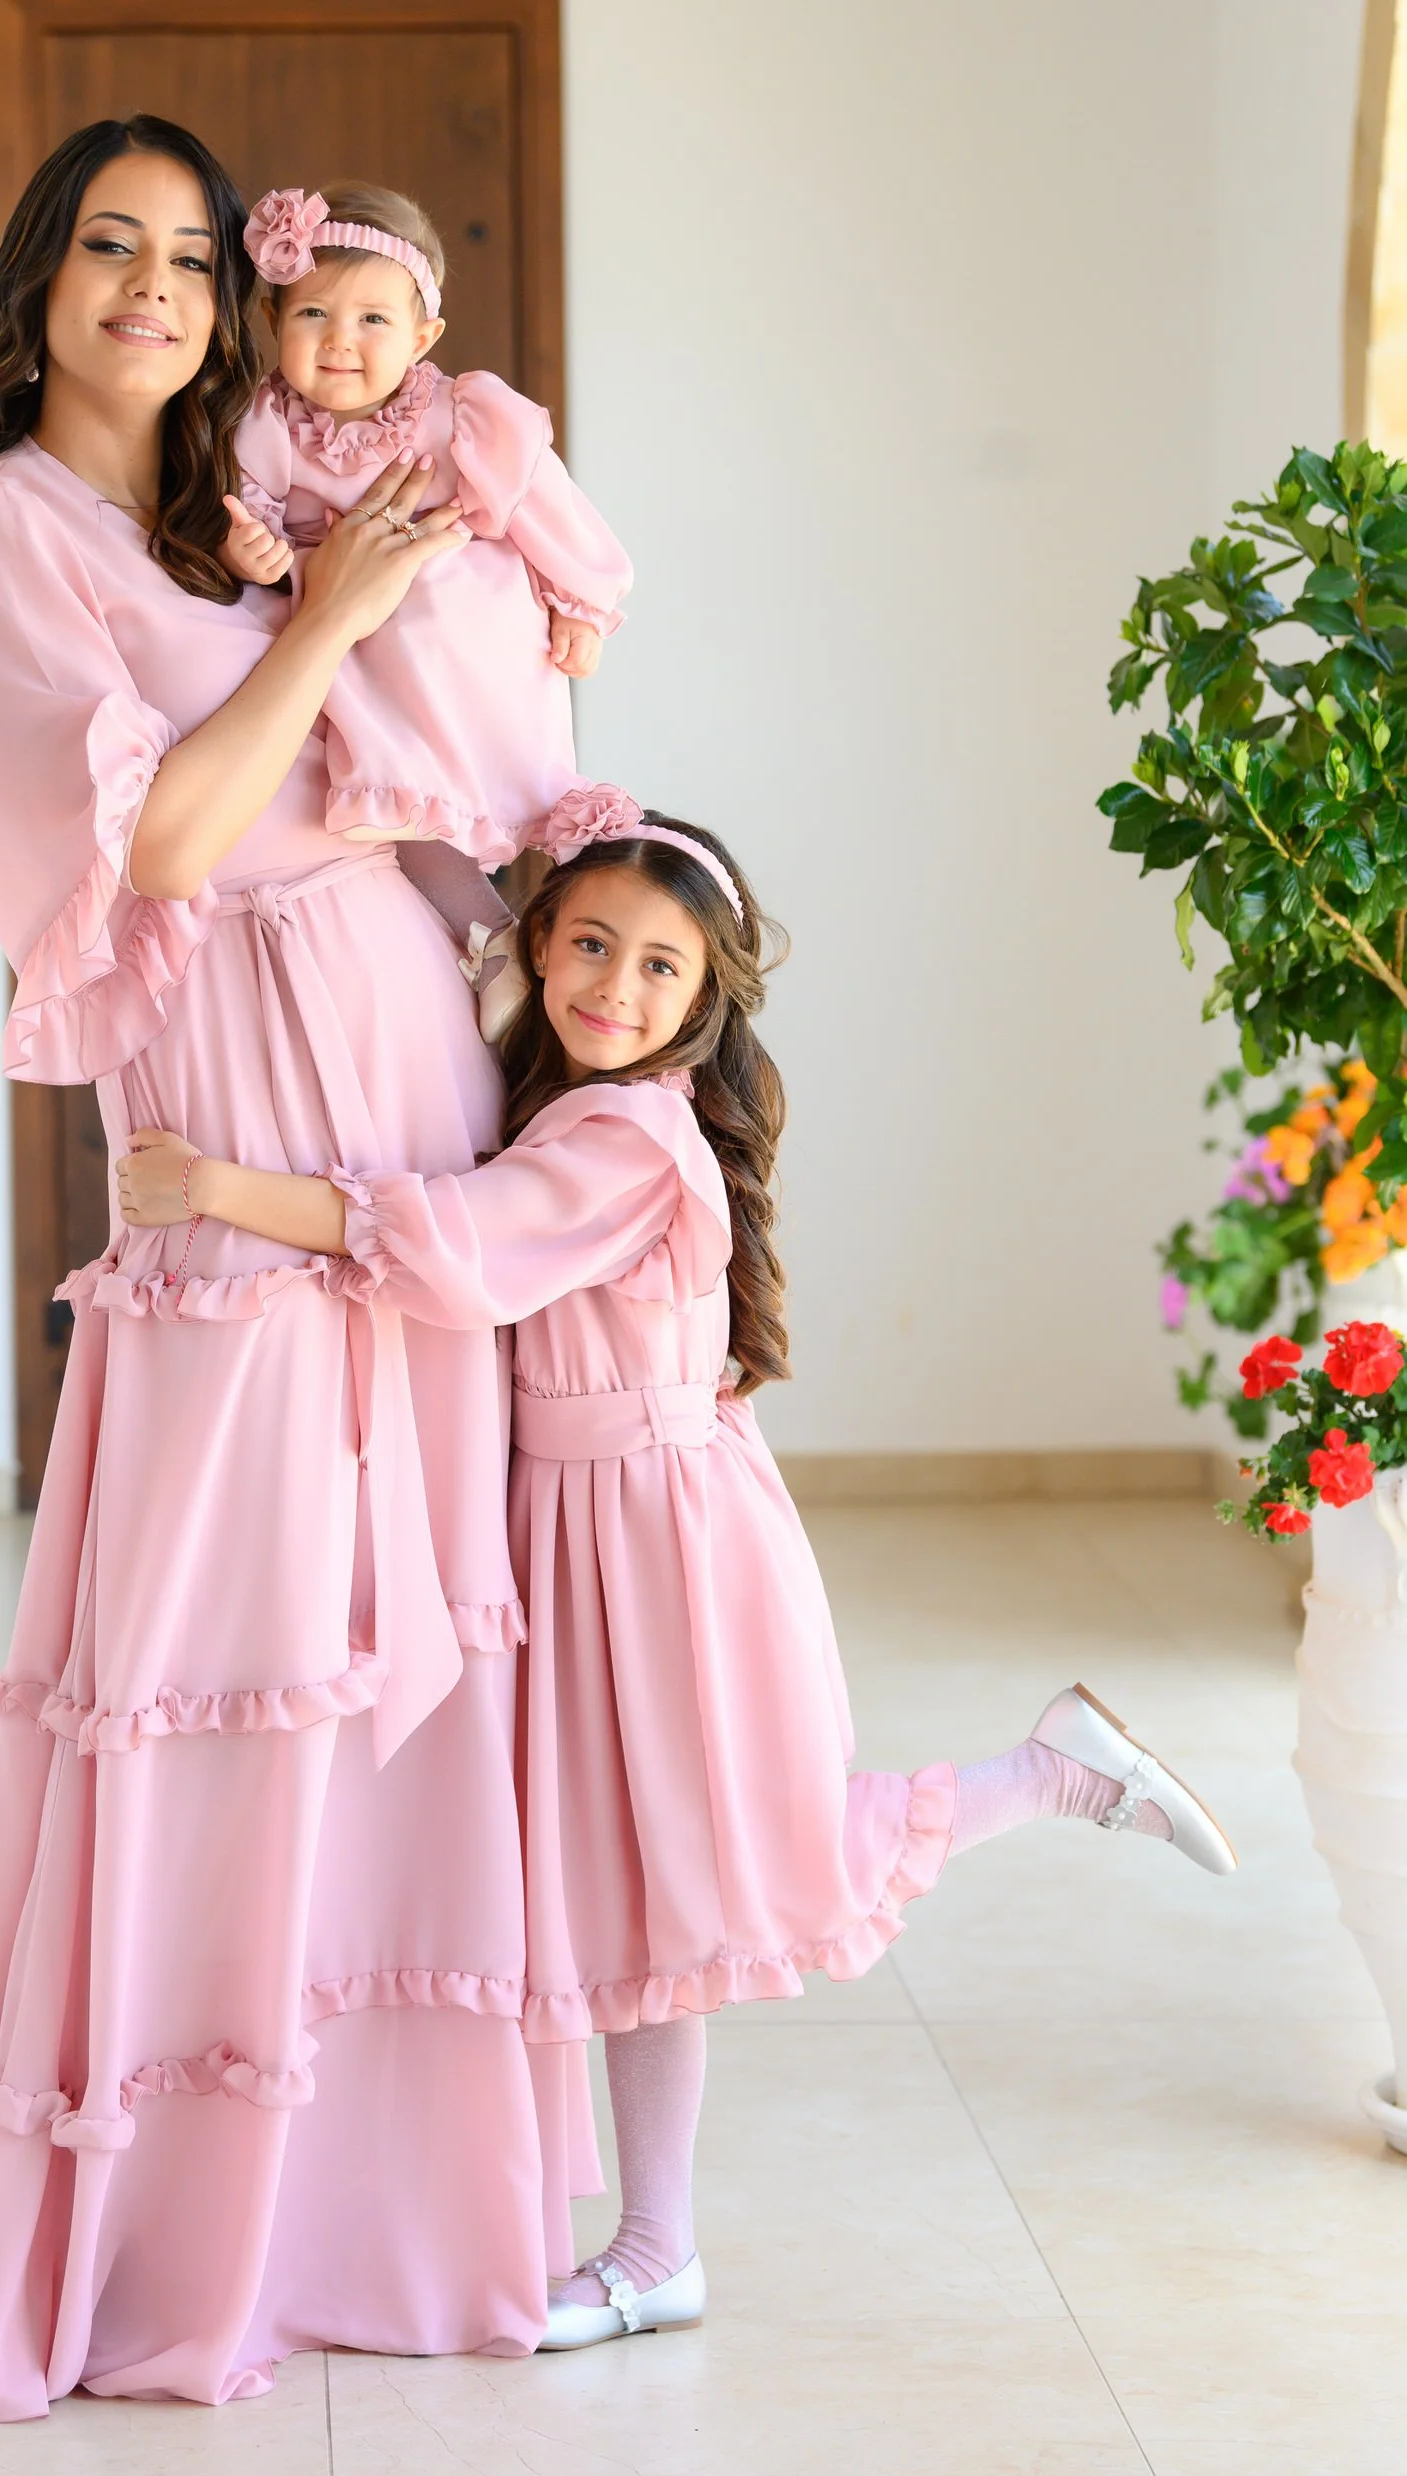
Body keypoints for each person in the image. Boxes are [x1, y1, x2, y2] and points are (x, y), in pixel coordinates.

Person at [0, 115, 597, 2422]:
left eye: (185, 256)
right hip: (238, 1140)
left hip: (399, 1121)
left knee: (392, 1662)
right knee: (220, 1663)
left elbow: (384, 766)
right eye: (108, 248)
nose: (155, 287)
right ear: (37, 283)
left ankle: (374, 2225)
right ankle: (166, 2239)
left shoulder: (231, 514)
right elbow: (154, 833)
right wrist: (339, 619)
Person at [115, 781, 1239, 2354]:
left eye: (657, 969)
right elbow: (453, 905)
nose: (608, 989)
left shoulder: (628, 1138)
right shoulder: (570, 1079)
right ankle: (658, 2248)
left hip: (661, 1546)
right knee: (632, 1910)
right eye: (588, 944)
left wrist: (220, 1188)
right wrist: (376, 817)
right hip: (579, 1536)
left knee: (744, 1876)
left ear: (707, 1004)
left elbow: (449, 1243)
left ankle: (1050, 1778)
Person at [221, 179, 632, 875]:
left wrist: (580, 605)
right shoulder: (266, 425)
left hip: (469, 627)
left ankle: (494, 918)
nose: (339, 341)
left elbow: (546, 505)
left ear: (422, 337)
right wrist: (253, 550)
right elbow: (247, 513)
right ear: (272, 319)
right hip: (355, 633)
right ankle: (469, 931)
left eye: (372, 321)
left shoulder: (462, 413)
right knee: (403, 810)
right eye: (313, 313)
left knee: (477, 785)